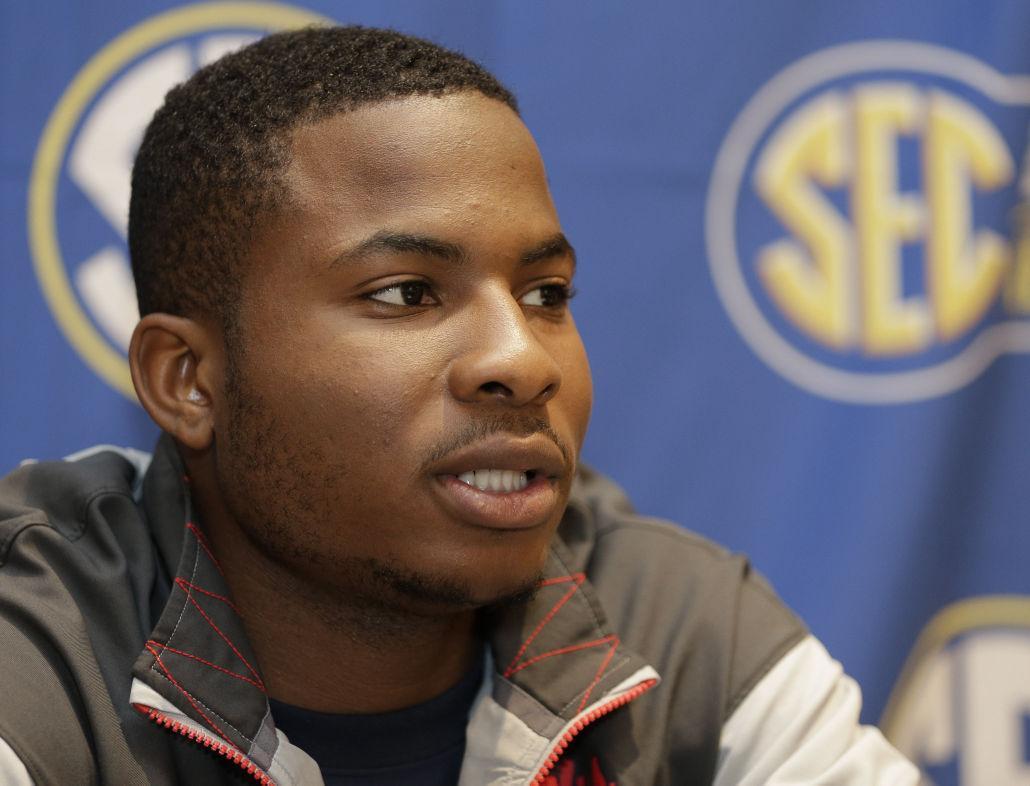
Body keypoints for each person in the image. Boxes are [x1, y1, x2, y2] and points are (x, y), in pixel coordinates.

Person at [0, 25, 918, 786]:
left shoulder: (681, 636)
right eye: (406, 294)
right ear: (187, 380)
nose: (521, 360)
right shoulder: (38, 657)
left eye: (546, 293)